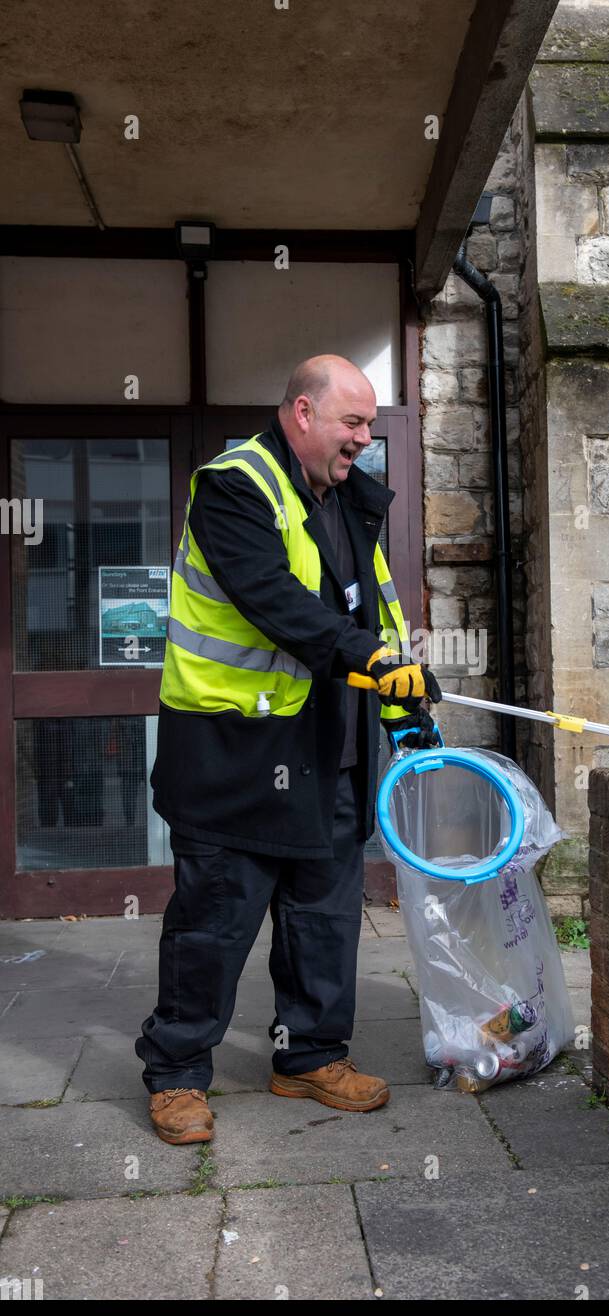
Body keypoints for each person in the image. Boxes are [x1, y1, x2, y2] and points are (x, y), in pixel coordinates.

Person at [135, 355, 441, 1144]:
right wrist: (367, 657)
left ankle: (307, 1056)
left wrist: (403, 700)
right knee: (214, 925)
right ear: (302, 414)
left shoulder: (347, 503)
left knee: (326, 920)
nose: (365, 440)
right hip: (235, 756)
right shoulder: (235, 486)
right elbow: (275, 602)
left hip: (328, 751)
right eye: (353, 423)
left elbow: (370, 612)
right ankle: (175, 1074)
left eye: (371, 424)